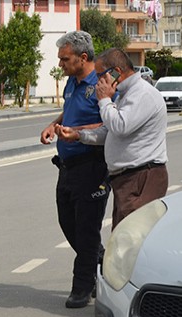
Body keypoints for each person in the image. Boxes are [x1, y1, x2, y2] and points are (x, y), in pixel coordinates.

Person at [55, 48, 168, 228]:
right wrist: (79, 135)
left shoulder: (142, 94)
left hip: (141, 177)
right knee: (123, 239)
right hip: (126, 179)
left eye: (100, 75)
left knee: (133, 239)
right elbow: (109, 131)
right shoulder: (125, 94)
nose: (98, 81)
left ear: (116, 71)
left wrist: (104, 100)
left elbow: (120, 126)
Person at [39, 31, 110, 309]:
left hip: (92, 166)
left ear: (83, 57)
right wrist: (53, 124)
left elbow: (108, 123)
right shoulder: (72, 82)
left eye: (65, 59)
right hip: (67, 168)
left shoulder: (102, 84)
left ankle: (83, 286)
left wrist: (76, 132)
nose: (60, 65)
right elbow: (69, 110)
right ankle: (100, 258)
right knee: (68, 223)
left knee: (87, 228)